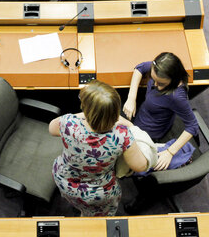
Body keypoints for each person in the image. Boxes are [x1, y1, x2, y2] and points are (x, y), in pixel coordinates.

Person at [50, 80, 147, 216]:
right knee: (98, 219)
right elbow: (141, 166)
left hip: (66, 181)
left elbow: (51, 129)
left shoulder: (68, 123)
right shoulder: (122, 135)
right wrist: (130, 125)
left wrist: (87, 113)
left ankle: (80, 209)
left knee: (78, 205)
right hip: (98, 194)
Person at [122, 52, 199, 171]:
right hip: (141, 115)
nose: (155, 85)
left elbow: (193, 126)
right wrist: (131, 97)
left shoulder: (176, 97)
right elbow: (140, 68)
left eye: (161, 83)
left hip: (149, 132)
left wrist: (170, 152)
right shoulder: (158, 68)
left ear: (173, 80)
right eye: (153, 79)